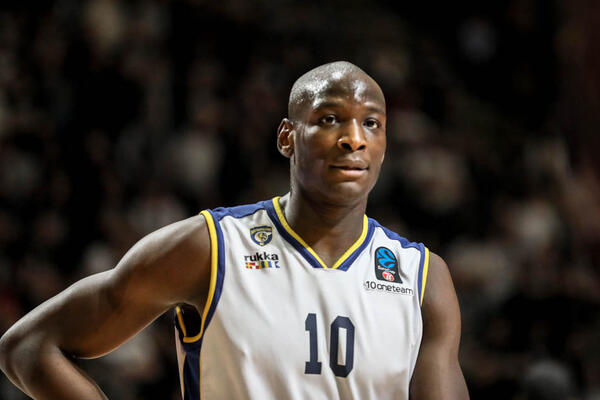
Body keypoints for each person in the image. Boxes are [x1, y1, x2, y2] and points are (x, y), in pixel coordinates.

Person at [0, 61, 469, 399]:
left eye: (371, 123)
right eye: (329, 119)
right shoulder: (211, 247)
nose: (353, 138)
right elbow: (29, 347)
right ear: (287, 137)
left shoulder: (423, 278)